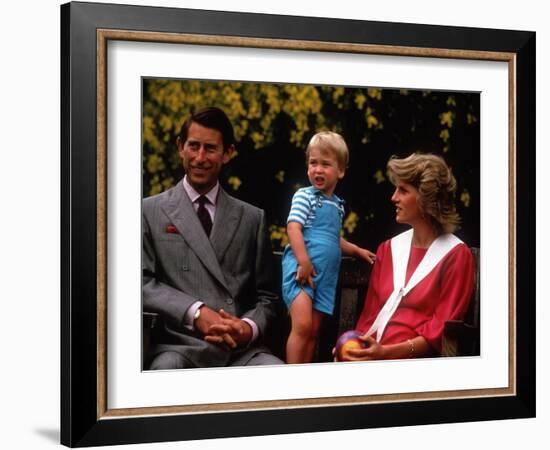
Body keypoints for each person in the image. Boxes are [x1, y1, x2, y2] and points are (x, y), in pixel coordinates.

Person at [142, 106, 283, 369]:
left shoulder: (253, 218)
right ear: (180, 147)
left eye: (210, 148)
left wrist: (248, 327)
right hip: (178, 348)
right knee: (164, 375)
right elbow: (139, 282)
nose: (200, 157)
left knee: (278, 376)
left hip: (241, 353)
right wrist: (195, 312)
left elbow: (267, 297)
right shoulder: (149, 211)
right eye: (193, 146)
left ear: (228, 153)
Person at [338, 153, 474, 361]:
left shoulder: (455, 255)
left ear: (426, 199)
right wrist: (352, 349)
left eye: (403, 190)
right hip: (374, 361)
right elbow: (368, 321)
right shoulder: (388, 249)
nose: (394, 197)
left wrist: (385, 354)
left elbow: (440, 333)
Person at [282, 131, 376, 364]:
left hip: (326, 277)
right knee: (302, 325)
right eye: (313, 163)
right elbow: (293, 228)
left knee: (313, 330)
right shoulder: (305, 196)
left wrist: (355, 250)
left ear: (341, 171)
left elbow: (334, 239)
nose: (318, 169)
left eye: (326, 164)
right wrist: (303, 262)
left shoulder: (337, 206)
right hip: (302, 271)